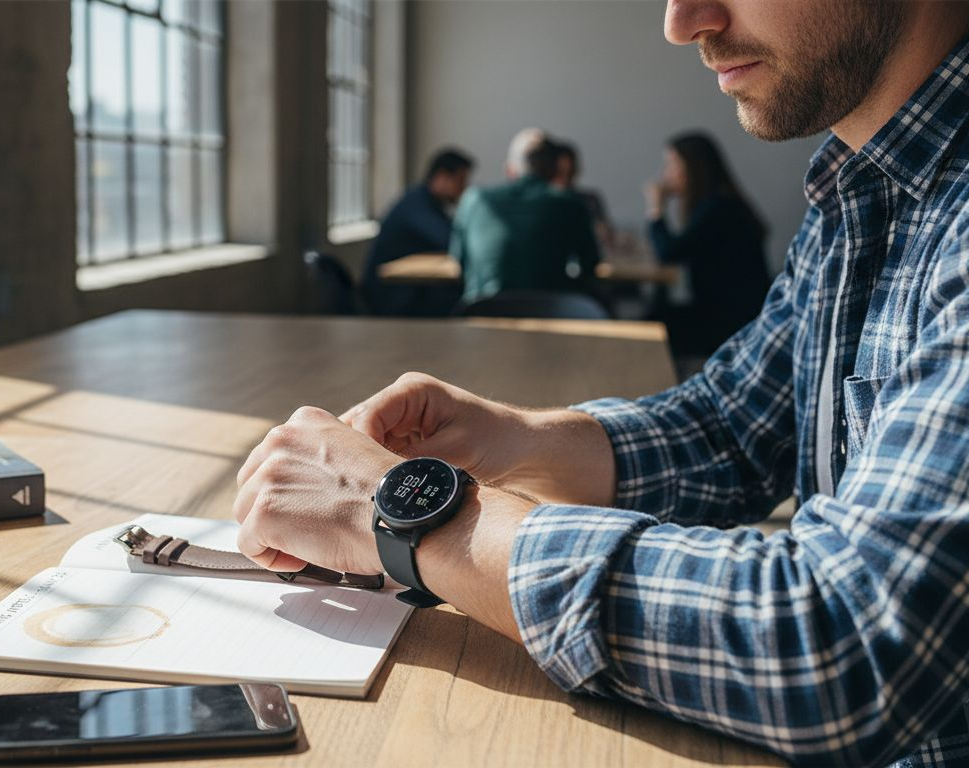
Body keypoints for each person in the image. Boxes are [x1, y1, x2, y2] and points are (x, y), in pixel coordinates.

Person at [232, 1, 969, 765]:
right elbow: (736, 426)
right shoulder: (863, 183)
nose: (682, 23)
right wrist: (522, 438)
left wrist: (407, 513)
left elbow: (843, 645)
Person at [645, 132, 771, 355]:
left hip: (730, 322)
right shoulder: (720, 203)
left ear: (692, 168)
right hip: (729, 314)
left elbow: (669, 252)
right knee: (653, 317)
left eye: (672, 165)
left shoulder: (718, 208)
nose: (666, 175)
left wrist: (656, 208)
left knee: (648, 327)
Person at [450, 136, 601, 305]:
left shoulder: (474, 199)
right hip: (549, 312)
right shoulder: (569, 203)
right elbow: (590, 264)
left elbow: (459, 261)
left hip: (482, 310)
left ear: (510, 168)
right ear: (555, 169)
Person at [360, 148, 475, 316]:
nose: (464, 188)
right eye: (460, 180)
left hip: (406, 290)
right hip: (390, 296)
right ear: (441, 176)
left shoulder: (429, 203)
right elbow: (449, 239)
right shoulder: (417, 204)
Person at [551, 141, 613, 248]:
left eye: (569, 173)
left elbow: (606, 237)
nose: (565, 179)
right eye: (560, 173)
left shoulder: (589, 200)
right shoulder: (542, 205)